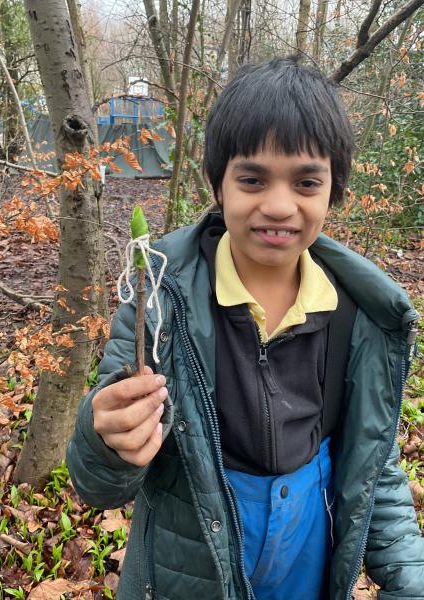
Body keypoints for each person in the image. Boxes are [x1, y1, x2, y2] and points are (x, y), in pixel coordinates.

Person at [66, 57, 423, 600]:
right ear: (217, 183)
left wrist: (408, 577)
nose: (278, 206)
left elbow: (372, 463)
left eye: (306, 182)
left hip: (307, 559)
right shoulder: (161, 299)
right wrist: (107, 442)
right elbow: (98, 486)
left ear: (334, 189)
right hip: (192, 570)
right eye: (252, 179)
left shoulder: (357, 313)